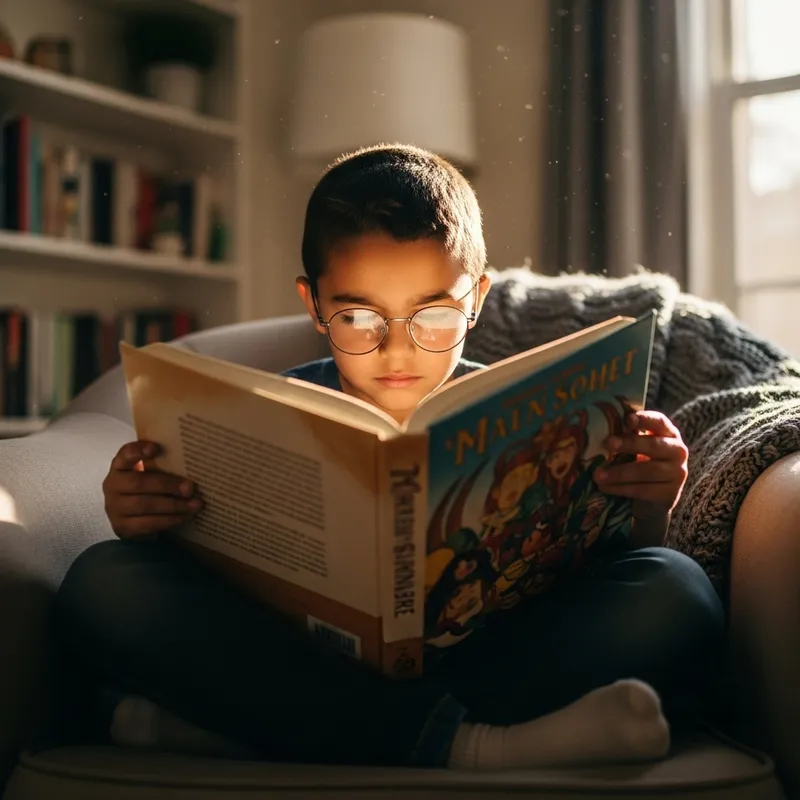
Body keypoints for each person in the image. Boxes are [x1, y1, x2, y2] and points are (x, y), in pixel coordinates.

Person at [55, 144, 724, 771]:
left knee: (677, 590)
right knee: (103, 582)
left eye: (433, 316)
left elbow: (600, 560)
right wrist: (144, 518)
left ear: (477, 300)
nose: (398, 350)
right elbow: (200, 570)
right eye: (358, 318)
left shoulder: (535, 415)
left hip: (487, 656)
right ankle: (476, 745)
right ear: (314, 304)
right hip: (296, 655)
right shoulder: (261, 421)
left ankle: (249, 732)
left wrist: (648, 505)